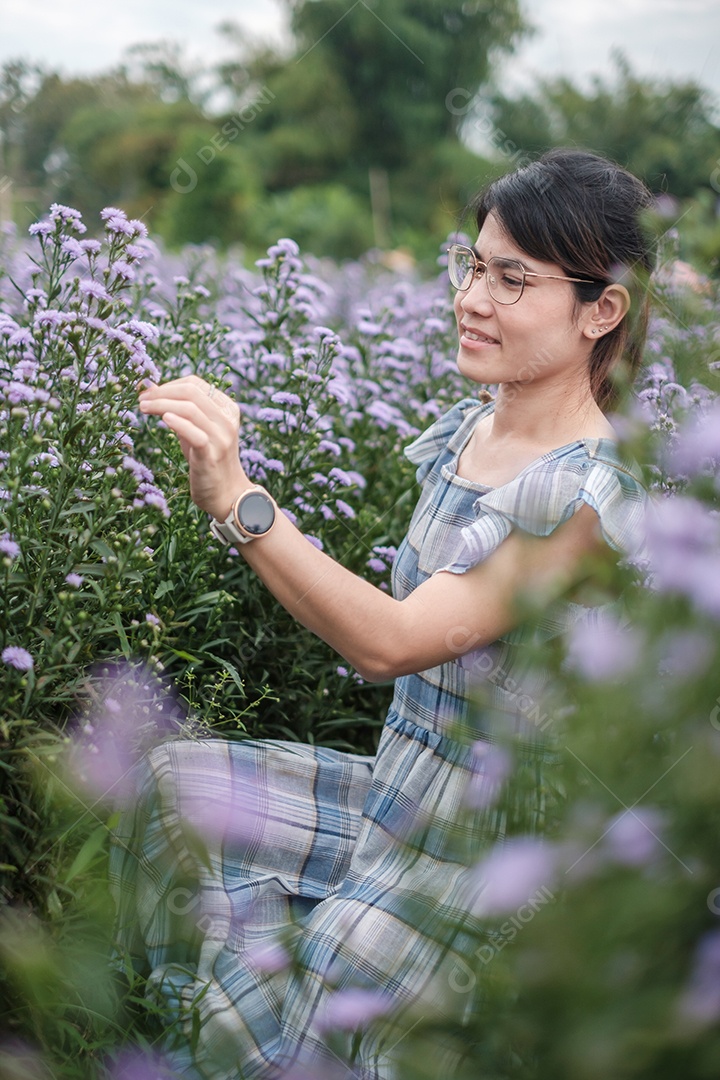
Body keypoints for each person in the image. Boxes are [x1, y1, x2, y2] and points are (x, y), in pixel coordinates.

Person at [110, 148, 654, 1079]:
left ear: (601, 309)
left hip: (482, 850)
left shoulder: (583, 496)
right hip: (398, 790)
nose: (472, 298)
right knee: (177, 792)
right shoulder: (478, 425)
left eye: (513, 279)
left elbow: (391, 642)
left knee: (340, 978)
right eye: (473, 265)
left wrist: (239, 498)